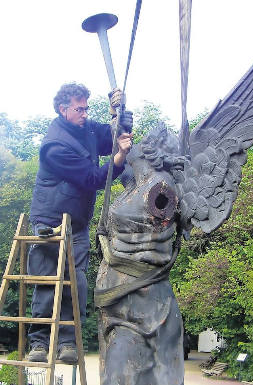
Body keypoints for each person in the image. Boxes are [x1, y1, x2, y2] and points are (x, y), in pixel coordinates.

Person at [26, 82, 133, 363]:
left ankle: (67, 343)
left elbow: (113, 135)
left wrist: (118, 112)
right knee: (48, 280)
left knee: (77, 281)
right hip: (50, 220)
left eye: (86, 107)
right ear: (63, 110)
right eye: (79, 108)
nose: (85, 113)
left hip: (77, 222)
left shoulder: (84, 128)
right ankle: (38, 343)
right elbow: (92, 179)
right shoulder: (55, 146)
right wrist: (119, 158)